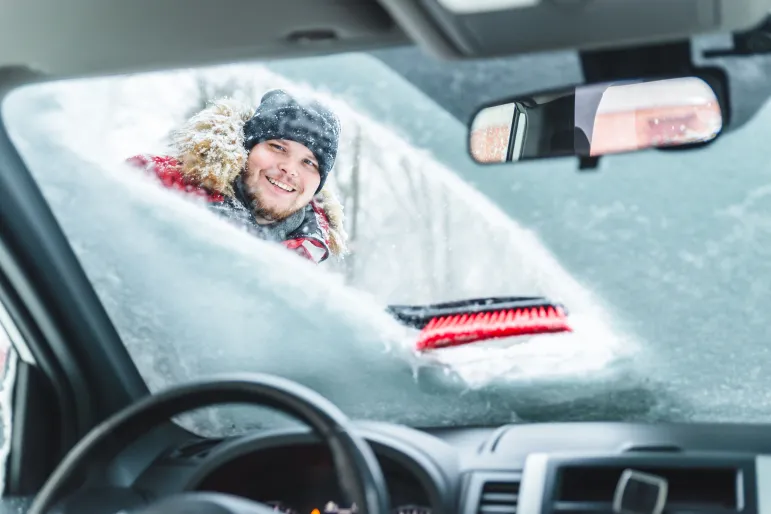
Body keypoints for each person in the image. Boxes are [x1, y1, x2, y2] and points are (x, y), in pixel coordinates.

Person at [127, 89, 347, 264]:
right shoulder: (152, 182)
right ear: (245, 148)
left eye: (309, 162)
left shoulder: (307, 256)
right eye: (278, 147)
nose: (290, 169)